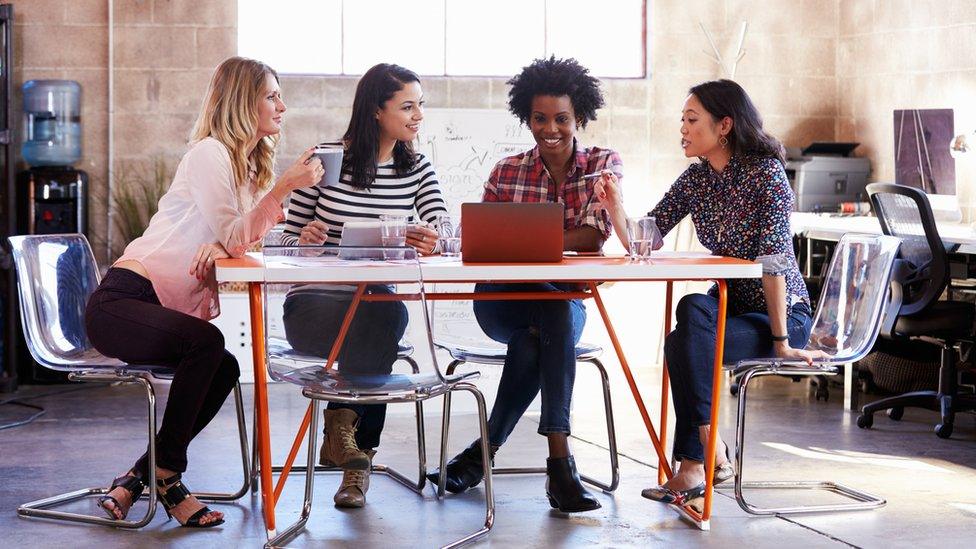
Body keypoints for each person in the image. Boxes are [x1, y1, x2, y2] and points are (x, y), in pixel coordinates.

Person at [85, 56, 321, 527]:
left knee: (224, 365)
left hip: (151, 305)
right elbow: (238, 234)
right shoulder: (209, 153)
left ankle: (138, 480)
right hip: (122, 301)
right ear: (242, 102)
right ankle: (169, 477)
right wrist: (285, 188)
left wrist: (233, 237)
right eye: (272, 95)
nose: (283, 106)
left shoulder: (243, 165)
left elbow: (236, 236)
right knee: (208, 343)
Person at [594, 79, 826, 508]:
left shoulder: (766, 175)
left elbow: (774, 262)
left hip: (780, 317)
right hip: (728, 308)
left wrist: (781, 343)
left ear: (724, 125)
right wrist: (615, 206)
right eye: (682, 119)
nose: (682, 128)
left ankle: (694, 465)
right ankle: (709, 452)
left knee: (683, 339)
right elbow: (647, 237)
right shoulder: (697, 178)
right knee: (691, 309)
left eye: (691, 119)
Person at [427, 56, 622, 513]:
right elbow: (485, 243)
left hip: (564, 300)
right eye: (539, 118)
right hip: (503, 298)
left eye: (561, 119)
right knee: (546, 319)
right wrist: (553, 241)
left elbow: (594, 237)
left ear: (580, 118)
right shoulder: (505, 171)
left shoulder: (602, 164)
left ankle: (485, 456)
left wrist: (522, 239)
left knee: (540, 333)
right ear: (526, 117)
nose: (549, 129)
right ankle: (560, 468)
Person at [280, 63, 445, 509]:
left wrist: (434, 238)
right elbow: (278, 240)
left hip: (372, 309)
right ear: (376, 110)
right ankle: (351, 458)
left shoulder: (417, 167)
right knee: (385, 317)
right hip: (314, 309)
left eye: (420, 106)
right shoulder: (328, 160)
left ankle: (349, 453)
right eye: (407, 106)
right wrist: (304, 240)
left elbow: (444, 227)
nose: (418, 116)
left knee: (381, 313)